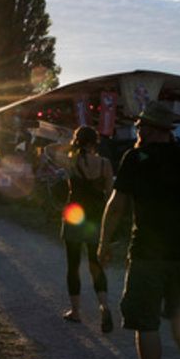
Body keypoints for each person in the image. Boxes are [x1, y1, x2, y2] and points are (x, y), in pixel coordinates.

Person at [98, 101, 180, 359]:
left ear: (149, 129)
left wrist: (104, 243)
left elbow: (117, 205)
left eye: (139, 125)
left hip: (148, 251)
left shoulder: (135, 158)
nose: (137, 129)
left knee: (145, 321)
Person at [60, 126, 114, 332]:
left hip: (74, 215)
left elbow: (48, 151)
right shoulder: (105, 164)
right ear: (95, 142)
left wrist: (72, 145)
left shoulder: (71, 160)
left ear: (77, 141)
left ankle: (75, 312)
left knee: (73, 265)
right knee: (96, 264)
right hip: (95, 218)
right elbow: (110, 194)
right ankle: (104, 306)